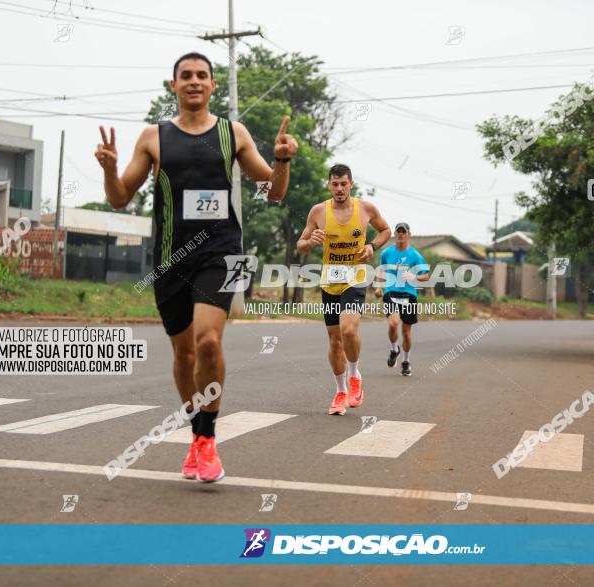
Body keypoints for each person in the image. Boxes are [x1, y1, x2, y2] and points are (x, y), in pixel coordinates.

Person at [95, 52, 298, 482]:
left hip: (223, 252)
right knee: (184, 355)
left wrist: (282, 161)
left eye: (201, 76)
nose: (193, 82)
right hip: (170, 259)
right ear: (173, 86)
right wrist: (111, 170)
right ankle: (196, 433)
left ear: (212, 85)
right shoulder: (154, 137)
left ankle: (207, 439)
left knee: (208, 342)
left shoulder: (232, 133)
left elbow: (274, 193)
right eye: (185, 76)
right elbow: (118, 198)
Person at [296, 164, 391, 415]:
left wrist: (372, 246)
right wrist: (309, 242)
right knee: (335, 340)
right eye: (335, 184)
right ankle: (340, 392)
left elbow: (385, 230)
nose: (339, 188)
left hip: (356, 276)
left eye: (344, 184)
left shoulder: (365, 209)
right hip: (331, 280)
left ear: (351, 184)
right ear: (329, 185)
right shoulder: (318, 211)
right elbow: (301, 244)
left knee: (349, 330)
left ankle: (354, 375)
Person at [374, 223, 430, 375]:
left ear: (408, 234)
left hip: (409, 294)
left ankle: (406, 361)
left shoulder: (415, 256)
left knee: (406, 331)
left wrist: (414, 276)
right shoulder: (386, 253)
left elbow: (426, 275)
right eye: (398, 231)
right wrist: (378, 287)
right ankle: (394, 349)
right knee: (393, 323)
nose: (400, 234)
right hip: (391, 292)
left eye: (403, 232)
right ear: (394, 233)